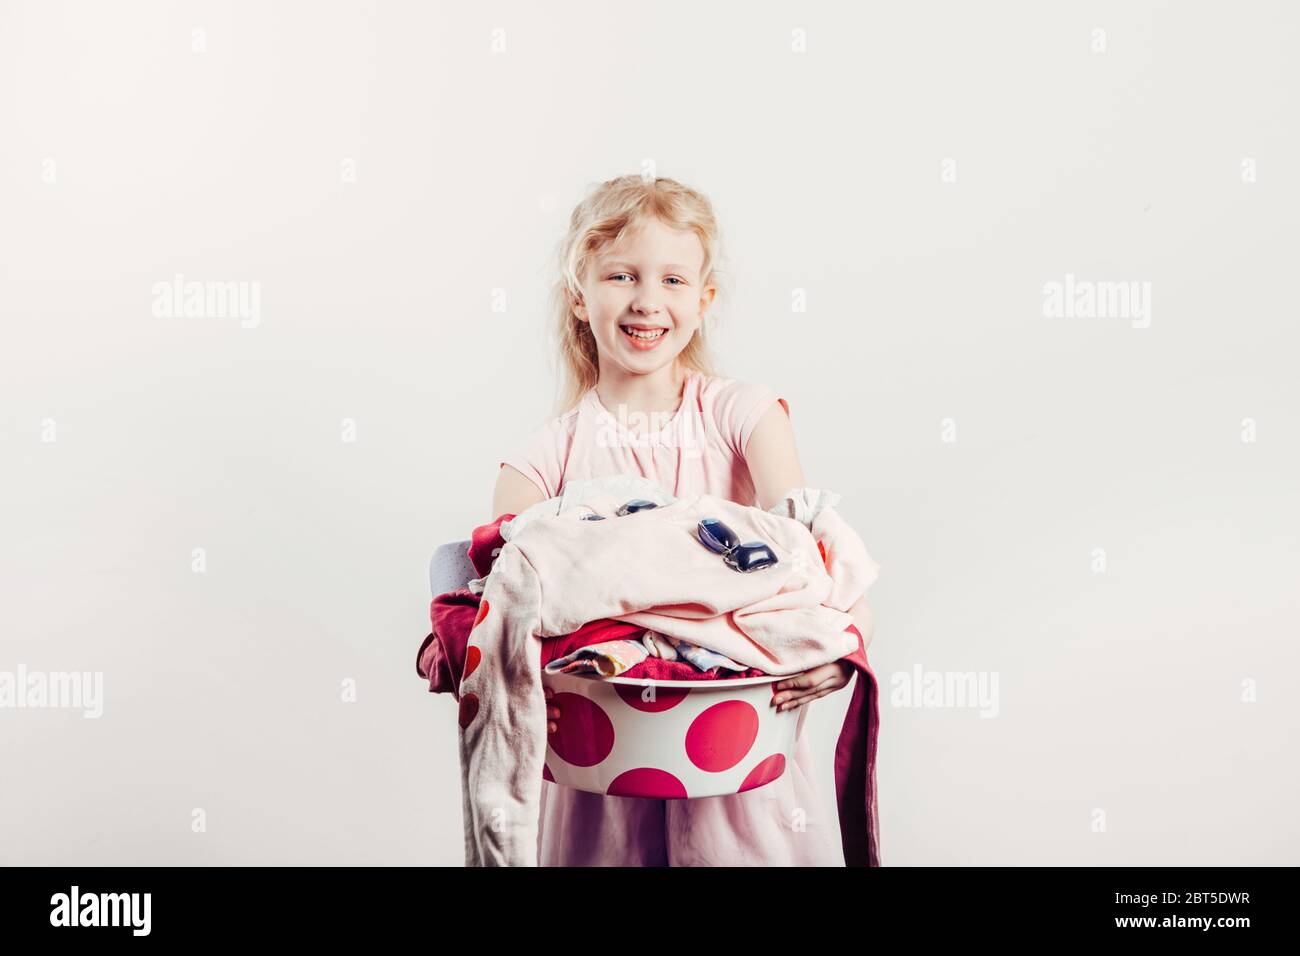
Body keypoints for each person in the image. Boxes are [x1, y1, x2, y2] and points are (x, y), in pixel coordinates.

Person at [492, 174, 875, 865]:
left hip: (742, 764)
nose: (646, 300)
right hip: (599, 785)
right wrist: (513, 689)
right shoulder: (537, 464)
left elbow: (811, 562)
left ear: (704, 301)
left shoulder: (744, 416)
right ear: (579, 296)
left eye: (673, 279)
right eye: (620, 275)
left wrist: (846, 650)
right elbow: (498, 618)